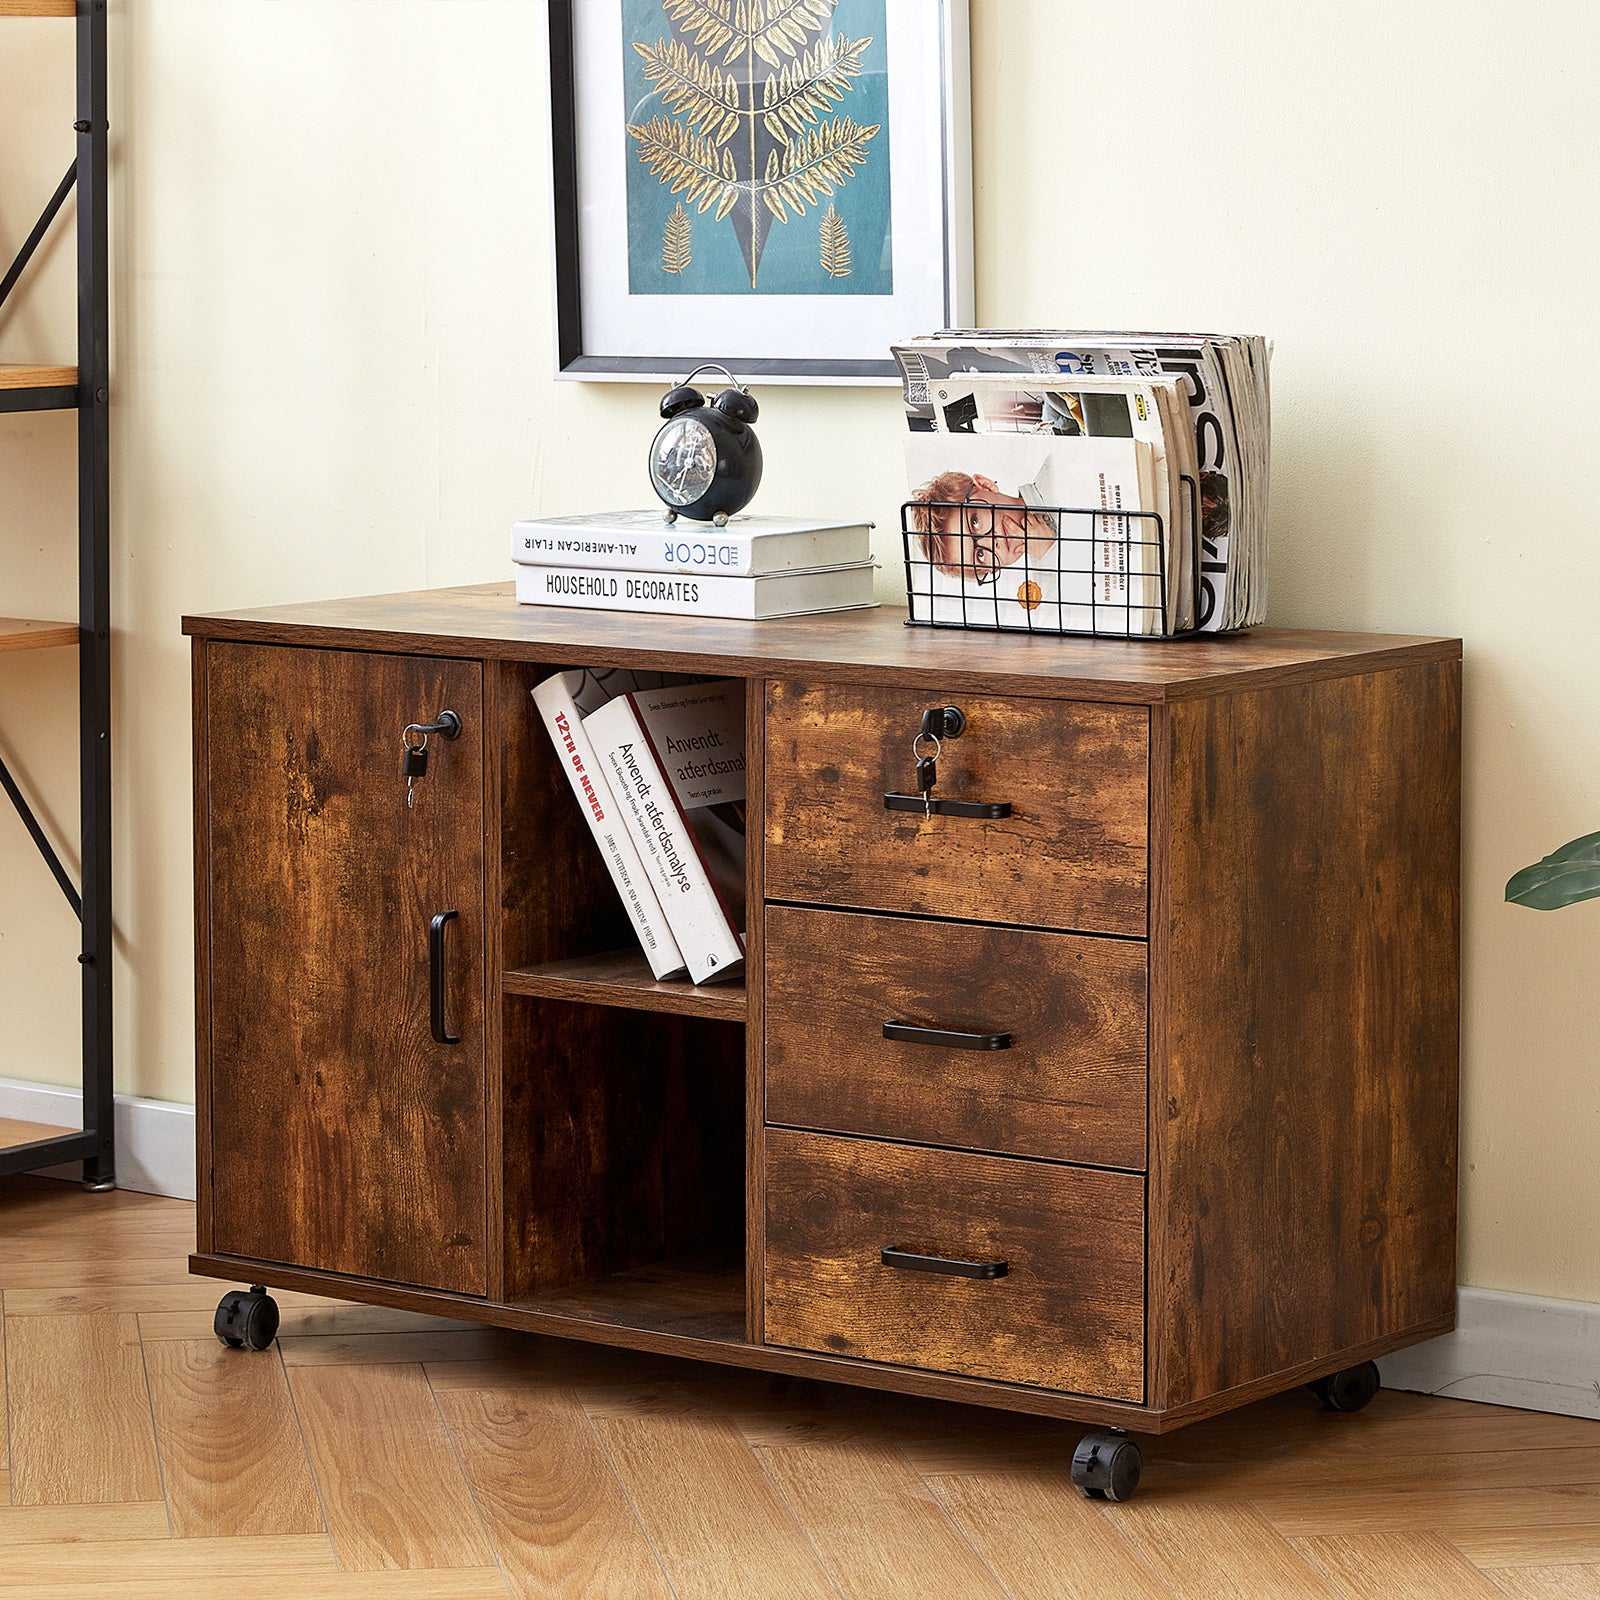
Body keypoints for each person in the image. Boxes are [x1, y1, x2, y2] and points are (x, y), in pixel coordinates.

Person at [907, 463, 1065, 583]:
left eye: (974, 522)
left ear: (984, 485)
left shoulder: (1057, 472)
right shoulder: (1048, 589)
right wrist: (1048, 552)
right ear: (993, 568)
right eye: (980, 554)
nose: (992, 542)